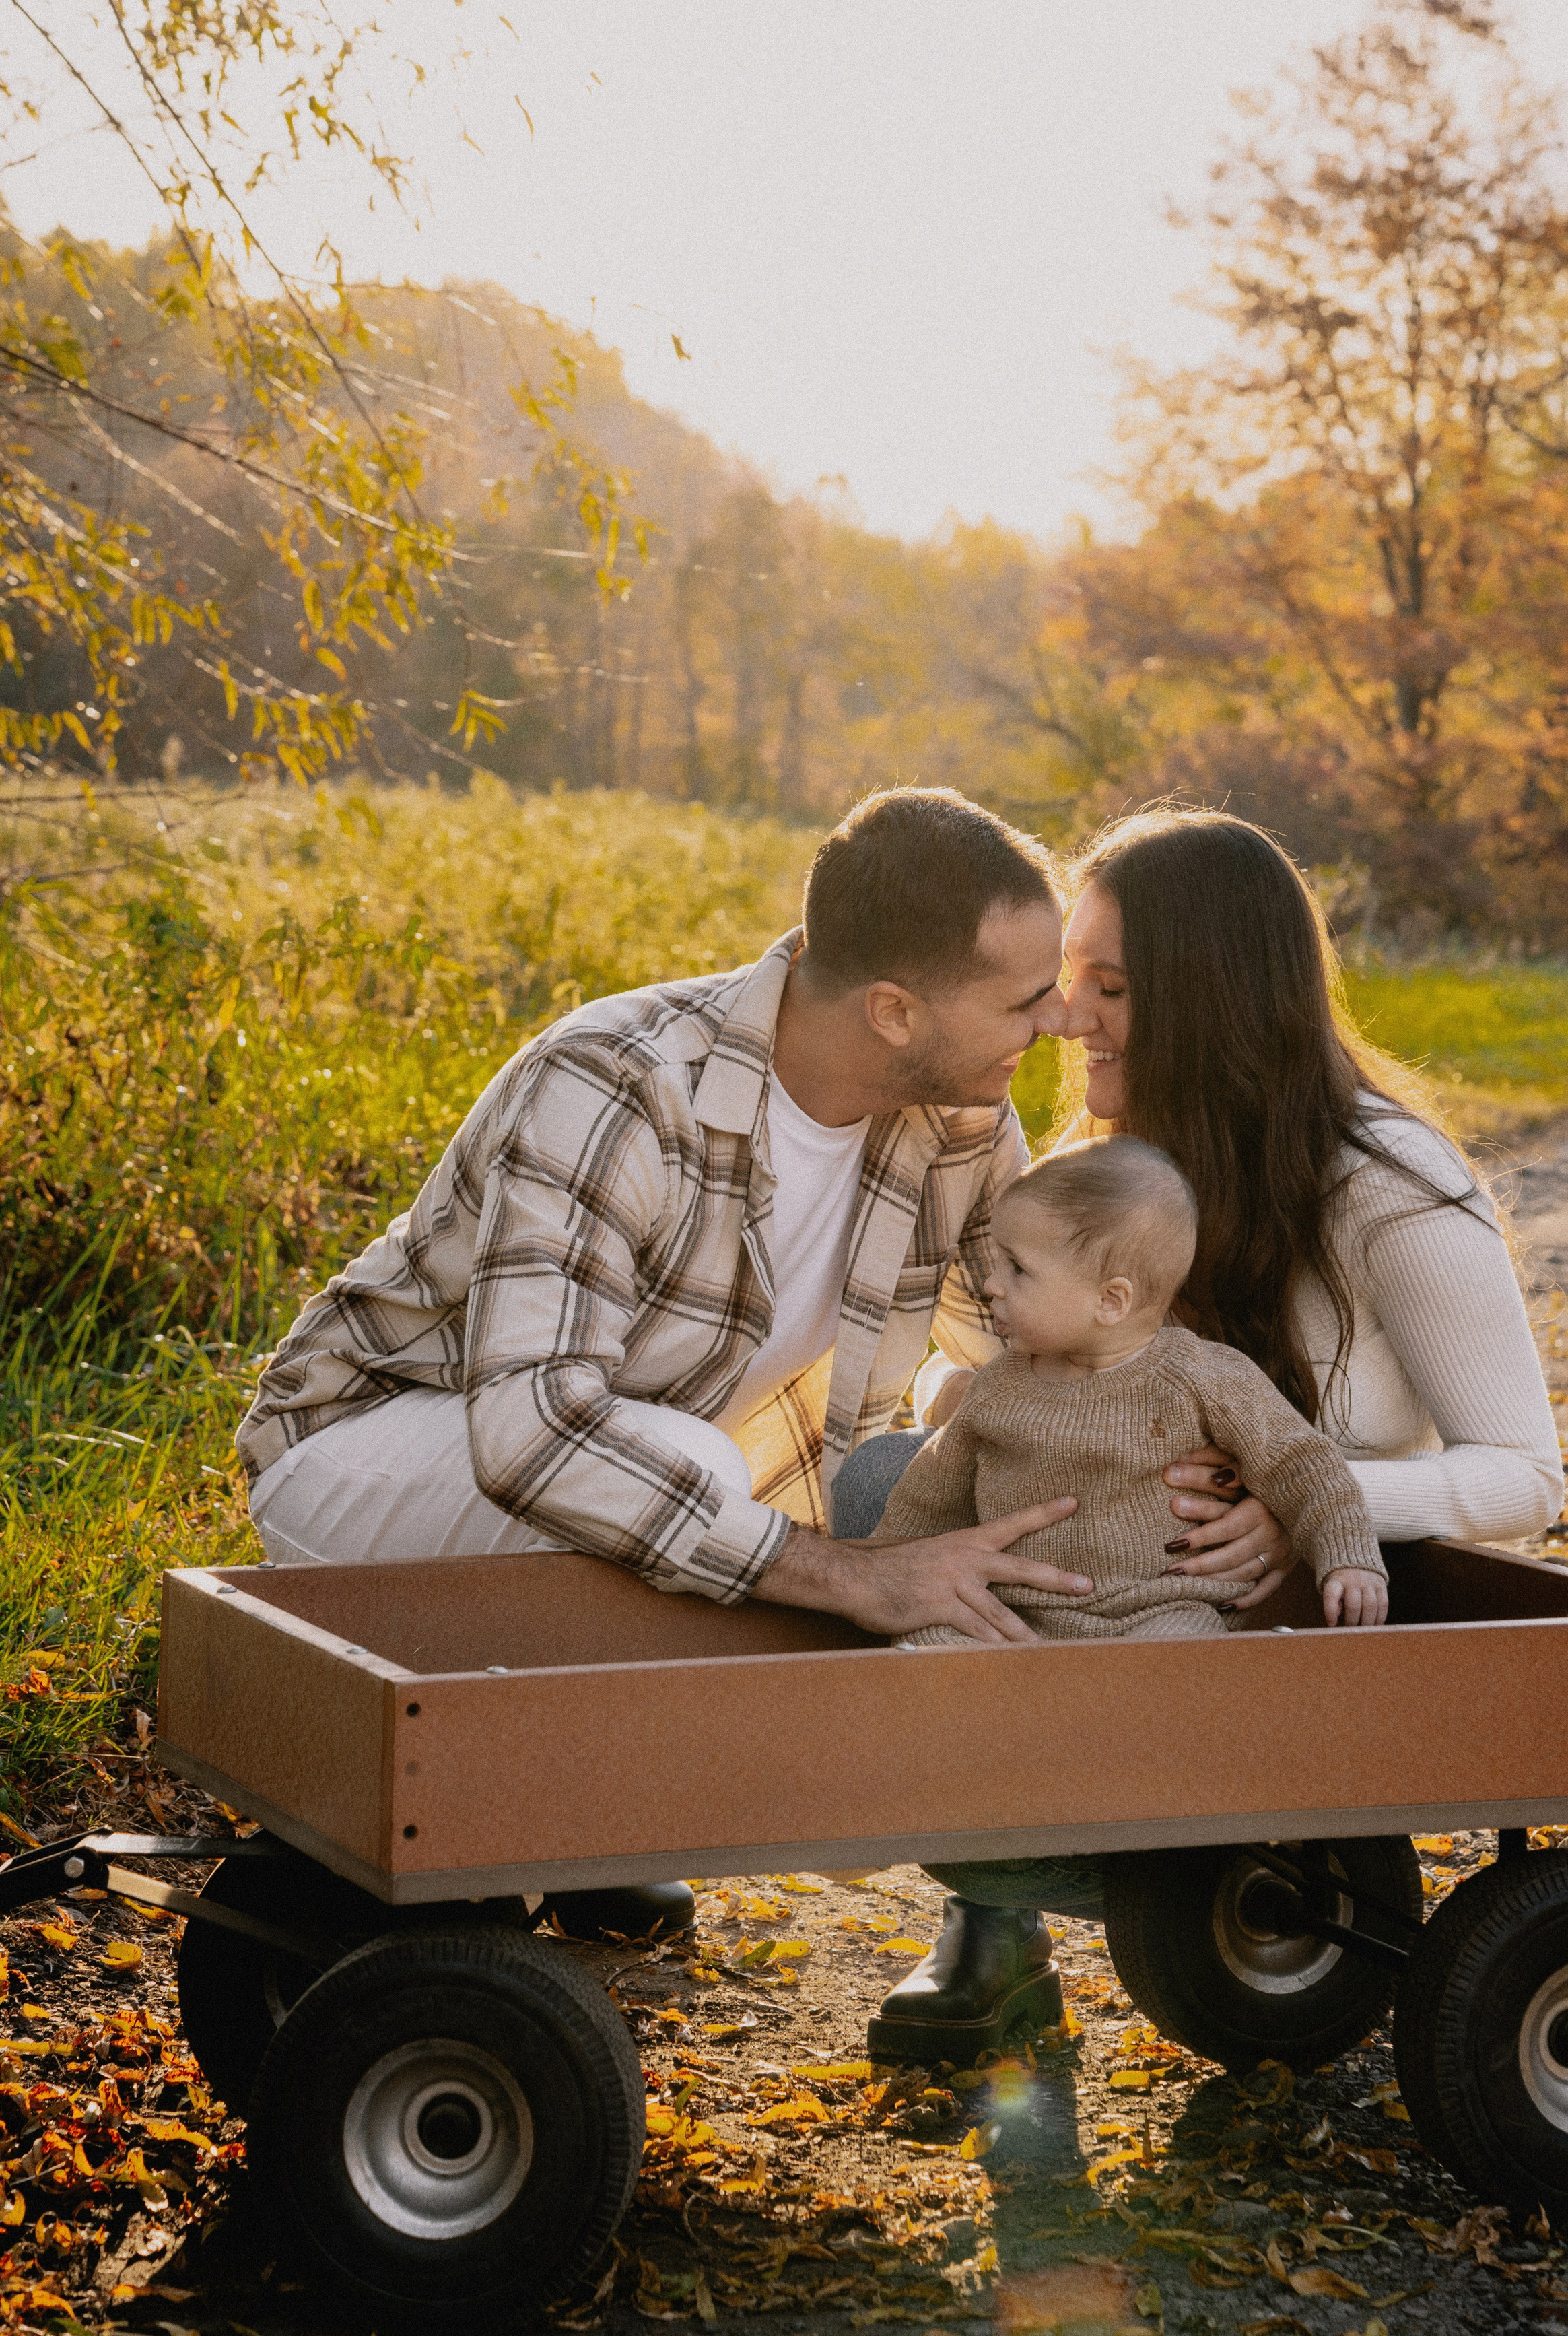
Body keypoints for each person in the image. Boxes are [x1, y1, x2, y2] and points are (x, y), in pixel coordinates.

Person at [235, 786, 1097, 1935]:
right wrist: (854, 1581)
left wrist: (1197, 1465)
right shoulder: (616, 1085)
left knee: (833, 1475)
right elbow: (535, 1436)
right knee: (688, 1463)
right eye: (1025, 998)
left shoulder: (959, 1126)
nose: (1057, 1022)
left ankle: (590, 1817)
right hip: (370, 1461)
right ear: (894, 1010)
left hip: (633, 1473)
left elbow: (1038, 1364)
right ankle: (530, 1823)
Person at [852, 805, 1561, 2063]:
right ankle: (997, 1907)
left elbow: (1524, 1477)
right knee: (875, 1491)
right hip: (1100, 1598)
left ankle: (1161, 1876)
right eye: (1068, 981)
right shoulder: (1117, 1170)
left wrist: (1306, 1499)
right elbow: (994, 1388)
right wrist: (965, 1420)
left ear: (1212, 1001)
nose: (1066, 1019)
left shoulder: (1392, 1185)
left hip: (1277, 1619)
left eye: (1108, 987)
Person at [880, 1135, 1387, 1647]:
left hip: (1162, 1608)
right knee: (926, 1643)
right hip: (1014, 1616)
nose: (992, 1283)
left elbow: (1300, 1462)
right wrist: (884, 1578)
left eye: (1017, 1268)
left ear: (1111, 1301)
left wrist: (1347, 1556)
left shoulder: (1200, 1376)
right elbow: (926, 1501)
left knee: (1188, 1657)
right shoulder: (998, 1387)